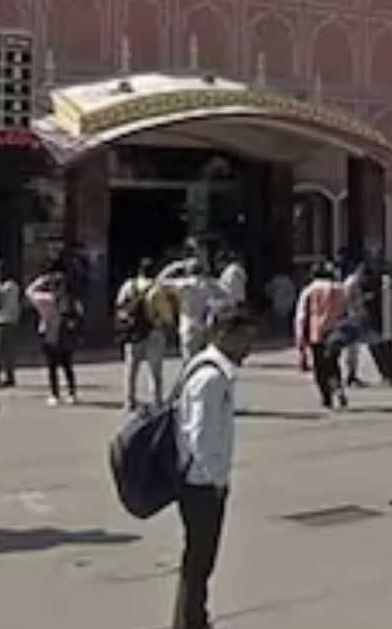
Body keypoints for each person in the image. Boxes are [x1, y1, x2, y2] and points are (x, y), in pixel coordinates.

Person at [172, 308, 253, 629]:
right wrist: (214, 482)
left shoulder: (210, 370)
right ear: (223, 336)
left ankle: (190, 619)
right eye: (244, 340)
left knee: (197, 560)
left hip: (200, 482)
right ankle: (192, 621)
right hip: (201, 485)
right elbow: (201, 436)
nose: (248, 348)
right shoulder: (211, 378)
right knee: (199, 560)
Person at [294, 263, 348, 409]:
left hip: (316, 333)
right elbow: (346, 311)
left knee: (319, 366)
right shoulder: (340, 289)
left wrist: (300, 340)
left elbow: (301, 316)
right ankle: (337, 386)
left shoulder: (309, 290)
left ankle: (326, 397)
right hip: (337, 332)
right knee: (333, 362)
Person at [116, 258, 166, 411]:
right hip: (154, 332)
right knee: (155, 370)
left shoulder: (129, 285)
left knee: (131, 369)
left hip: (133, 332)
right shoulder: (159, 288)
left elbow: (120, 305)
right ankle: (156, 401)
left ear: (139, 271)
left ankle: (129, 401)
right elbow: (165, 313)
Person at [158, 257, 229, 364]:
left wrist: (174, 266)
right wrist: (217, 305)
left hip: (188, 326)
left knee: (189, 362)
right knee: (205, 361)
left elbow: (160, 281)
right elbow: (228, 295)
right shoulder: (210, 284)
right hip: (206, 326)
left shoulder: (183, 284)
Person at [25, 267, 79, 405]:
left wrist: (41, 280)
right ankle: (72, 393)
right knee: (67, 366)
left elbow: (29, 292)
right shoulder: (71, 300)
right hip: (66, 336)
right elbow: (79, 316)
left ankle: (55, 394)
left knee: (52, 367)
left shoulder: (47, 300)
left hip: (50, 335)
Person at [0, 260, 20, 387]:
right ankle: (10, 375)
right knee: (8, 350)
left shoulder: (4, 287)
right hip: (11, 320)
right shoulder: (14, 286)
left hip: (0, 320)